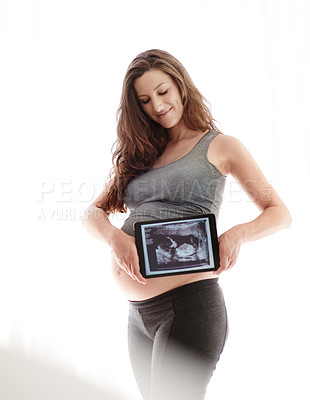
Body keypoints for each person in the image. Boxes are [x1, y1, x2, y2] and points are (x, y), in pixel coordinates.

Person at [82, 49, 291, 400]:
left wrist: (239, 233)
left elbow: (279, 213)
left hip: (190, 305)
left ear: (180, 86)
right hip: (139, 316)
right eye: (145, 100)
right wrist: (114, 240)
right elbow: (92, 214)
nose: (157, 106)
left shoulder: (220, 146)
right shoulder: (140, 153)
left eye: (163, 92)